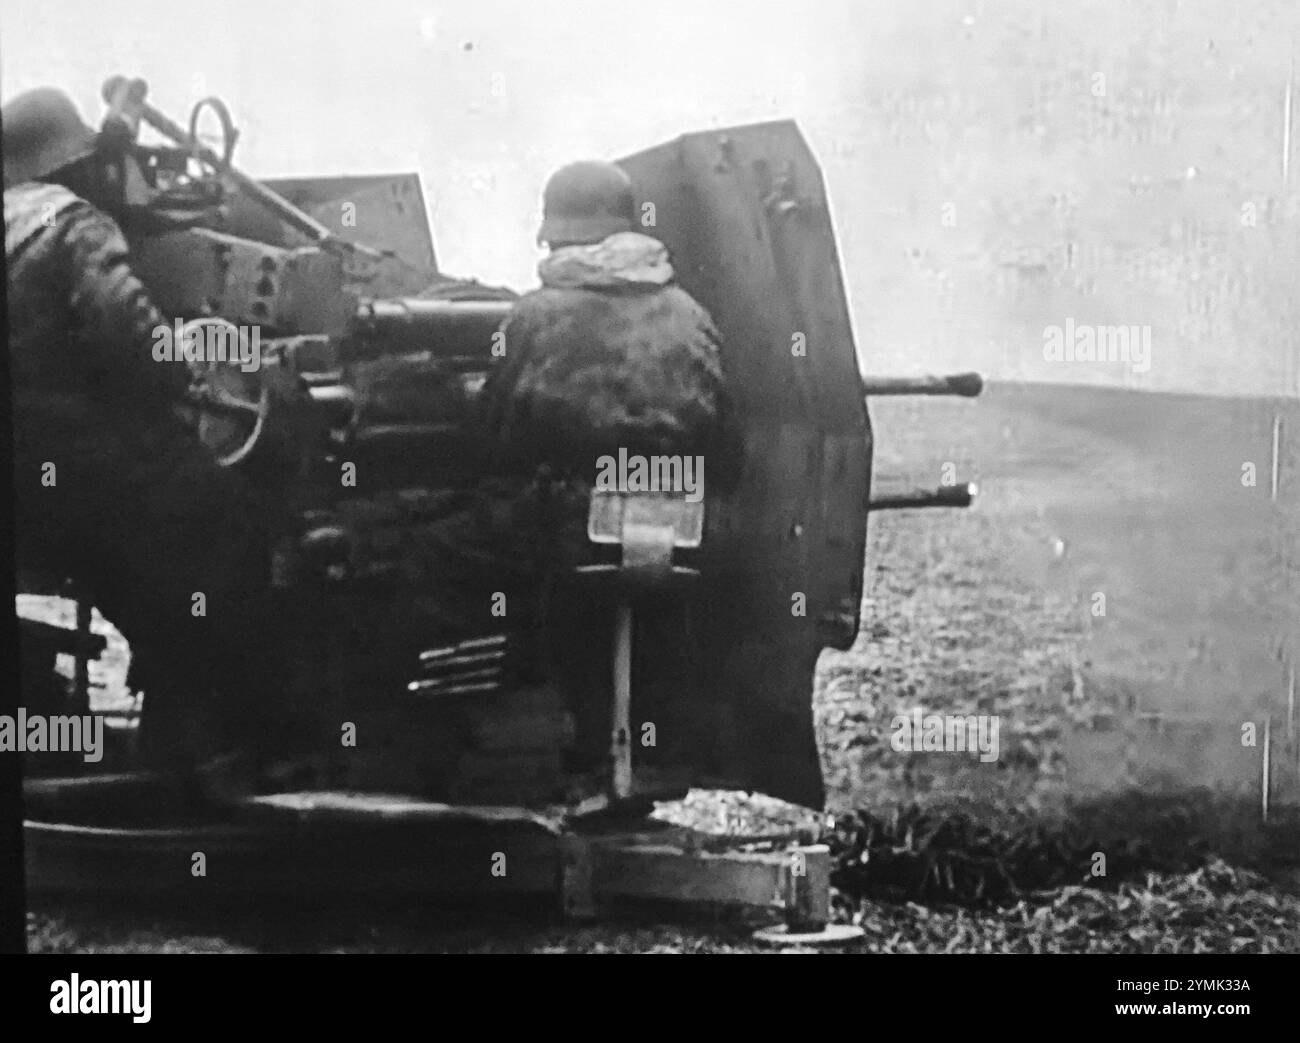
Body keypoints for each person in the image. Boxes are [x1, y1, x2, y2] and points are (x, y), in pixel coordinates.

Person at [4, 87, 282, 800]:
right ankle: (210, 747)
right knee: (227, 523)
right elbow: (132, 339)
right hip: (78, 457)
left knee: (131, 558)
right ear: (71, 164)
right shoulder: (75, 225)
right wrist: (188, 375)